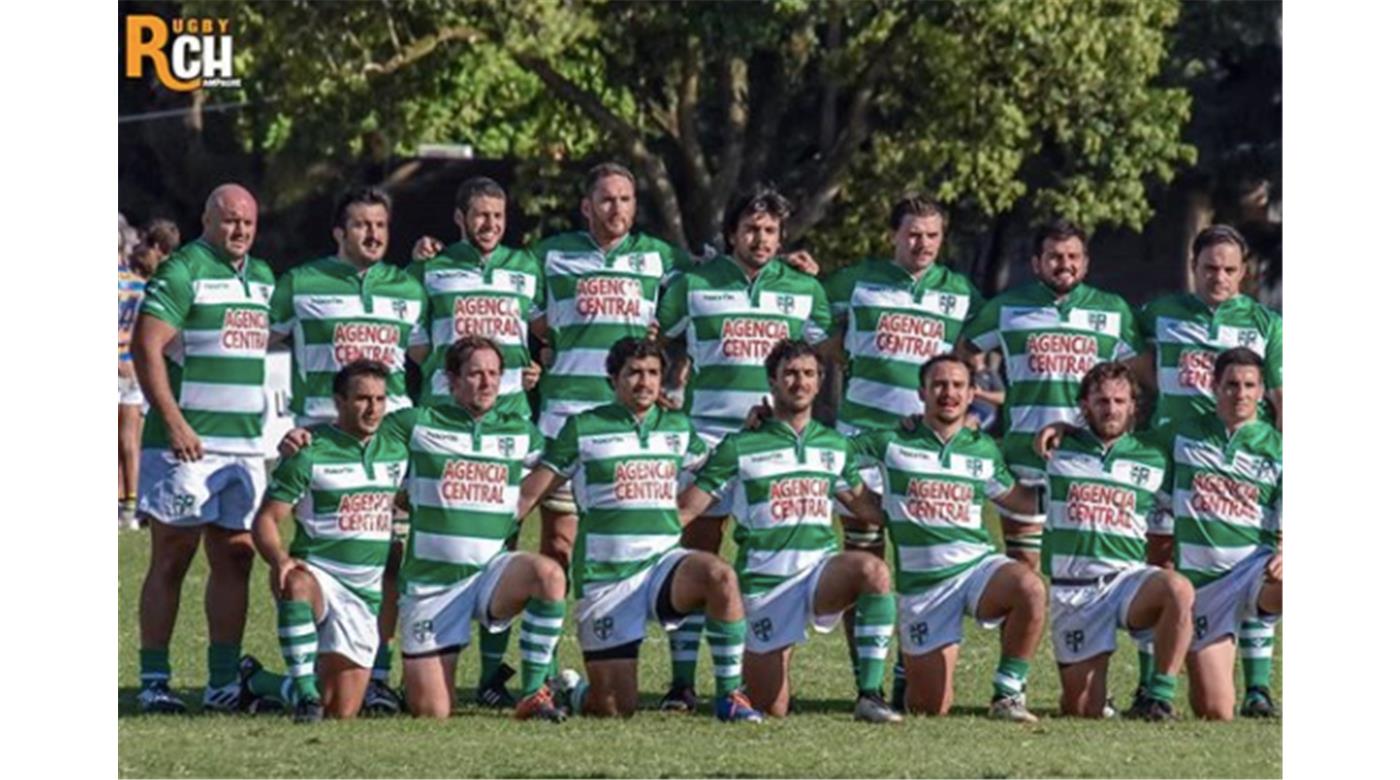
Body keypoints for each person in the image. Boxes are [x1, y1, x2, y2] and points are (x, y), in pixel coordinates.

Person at [275, 337, 571, 722]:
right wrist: (301, 436)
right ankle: (271, 682)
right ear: (451, 379)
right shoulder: (416, 423)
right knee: (432, 712)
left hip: (490, 576)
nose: (486, 383)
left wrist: (525, 500)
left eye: (494, 374)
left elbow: (565, 458)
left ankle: (533, 693)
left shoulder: (519, 431)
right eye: (475, 373)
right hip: (432, 587)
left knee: (548, 574)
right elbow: (355, 433)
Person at [516, 337, 763, 722]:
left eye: (652, 373)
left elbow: (715, 468)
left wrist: (685, 509)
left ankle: (730, 696)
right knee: (615, 708)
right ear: (613, 378)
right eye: (633, 373)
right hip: (607, 577)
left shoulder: (678, 427)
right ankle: (573, 691)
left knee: (719, 575)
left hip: (663, 565)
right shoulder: (583, 428)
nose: (644, 382)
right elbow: (531, 493)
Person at [653, 188, 833, 709]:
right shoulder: (694, 284)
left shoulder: (805, 290)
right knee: (697, 557)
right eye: (751, 229)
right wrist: (661, 389)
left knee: (774, 558)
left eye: (771, 231)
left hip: (775, 444)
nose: (761, 239)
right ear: (731, 233)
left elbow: (822, 355)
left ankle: (767, 674)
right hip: (709, 438)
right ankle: (683, 682)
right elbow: (654, 337)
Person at [675, 340, 898, 722]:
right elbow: (688, 508)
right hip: (766, 586)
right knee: (771, 708)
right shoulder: (740, 446)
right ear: (772, 381)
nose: (800, 382)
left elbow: (868, 507)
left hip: (819, 574)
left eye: (809, 374)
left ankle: (869, 694)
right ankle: (745, 681)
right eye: (790, 374)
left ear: (820, 381)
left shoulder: (835, 446)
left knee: (872, 570)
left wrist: (925, 496)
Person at [268, 186, 430, 712]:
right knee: (314, 563)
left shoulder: (407, 288)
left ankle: (377, 675)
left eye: (381, 225)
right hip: (324, 444)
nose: (373, 234)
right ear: (339, 231)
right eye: (361, 225)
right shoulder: (299, 282)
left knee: (393, 559)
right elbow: (255, 348)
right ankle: (302, 671)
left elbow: (430, 354)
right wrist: (275, 427)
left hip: (392, 446)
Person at [822, 195, 984, 693]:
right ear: (893, 235)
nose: (923, 244)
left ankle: (904, 669)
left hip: (925, 447)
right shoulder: (855, 281)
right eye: (913, 234)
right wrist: (847, 356)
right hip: (863, 441)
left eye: (932, 235)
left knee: (920, 562)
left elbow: (970, 355)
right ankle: (863, 673)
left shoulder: (960, 292)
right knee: (865, 563)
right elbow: (815, 331)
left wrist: (966, 414)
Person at [404, 176, 549, 708]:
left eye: (498, 215)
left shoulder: (525, 267)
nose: (490, 225)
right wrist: (454, 383)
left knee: (502, 545)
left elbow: (544, 330)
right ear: (460, 218)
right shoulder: (431, 267)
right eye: (480, 215)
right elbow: (417, 344)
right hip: (445, 421)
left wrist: (531, 371)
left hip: (508, 422)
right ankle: (399, 658)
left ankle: (493, 676)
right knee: (427, 534)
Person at [132, 184, 277, 713]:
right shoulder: (183, 270)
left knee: (237, 559)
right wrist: (172, 422)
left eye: (248, 222)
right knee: (172, 557)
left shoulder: (262, 278)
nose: (239, 230)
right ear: (207, 219)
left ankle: (221, 684)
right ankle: (154, 681)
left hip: (241, 447)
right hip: (187, 445)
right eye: (230, 220)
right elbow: (144, 345)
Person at [848, 355, 1046, 721]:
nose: (948, 393)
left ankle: (1008, 695)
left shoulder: (982, 448)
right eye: (938, 384)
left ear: (972, 394)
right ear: (921, 391)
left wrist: (1067, 483)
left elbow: (1019, 500)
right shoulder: (891, 441)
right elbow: (830, 456)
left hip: (977, 569)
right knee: (932, 708)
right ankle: (907, 668)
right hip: (924, 587)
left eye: (957, 385)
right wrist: (868, 506)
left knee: (1029, 587)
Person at [1135, 225, 1283, 714]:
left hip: (1245, 461)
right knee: (1160, 572)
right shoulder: (1159, 314)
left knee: (1264, 561)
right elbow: (1129, 371)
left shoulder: (1266, 324)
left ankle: (1259, 688)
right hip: (1174, 461)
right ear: (1193, 268)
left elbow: (1282, 399)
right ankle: (1150, 683)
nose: (1218, 277)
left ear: (1244, 273)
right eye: (1209, 268)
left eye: (1229, 269)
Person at [959, 218, 1142, 568]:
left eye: (1073, 256)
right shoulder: (1006, 307)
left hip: (1088, 459)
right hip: (1024, 457)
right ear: (1036, 263)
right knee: (1025, 574)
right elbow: (964, 352)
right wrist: (968, 407)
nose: (1065, 264)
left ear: (1085, 262)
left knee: (1085, 570)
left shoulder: (1113, 310)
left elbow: (1140, 375)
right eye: (1055, 256)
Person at [241, 361, 409, 722]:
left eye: (380, 399)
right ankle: (304, 696)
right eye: (362, 398)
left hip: (365, 595)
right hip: (320, 577)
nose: (372, 408)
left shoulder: (396, 451)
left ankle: (256, 680)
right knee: (297, 583)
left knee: (341, 711)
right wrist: (279, 560)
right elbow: (266, 520)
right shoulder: (309, 452)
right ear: (339, 401)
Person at [1037, 362, 1192, 721]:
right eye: (1101, 400)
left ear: (1133, 405)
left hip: (1126, 582)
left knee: (1177, 589)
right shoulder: (1054, 448)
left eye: (1119, 401)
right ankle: (1093, 697)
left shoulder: (1153, 456)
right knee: (1082, 710)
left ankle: (1158, 698)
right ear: (1084, 405)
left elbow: (1188, 509)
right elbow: (985, 446)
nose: (1111, 409)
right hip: (1074, 589)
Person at [1149, 348, 1281, 720]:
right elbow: (1126, 446)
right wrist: (1068, 429)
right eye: (1232, 385)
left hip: (1256, 571)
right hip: (1203, 586)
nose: (1240, 393)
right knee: (1215, 710)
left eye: (1250, 385)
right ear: (1213, 386)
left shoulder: (1279, 448)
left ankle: (1259, 688)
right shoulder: (1181, 436)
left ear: (1261, 391)